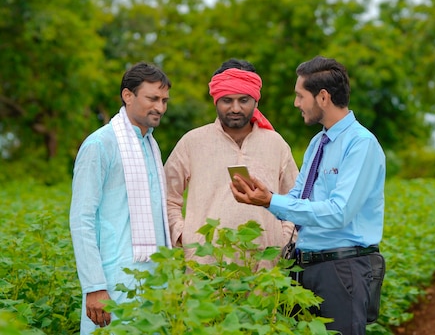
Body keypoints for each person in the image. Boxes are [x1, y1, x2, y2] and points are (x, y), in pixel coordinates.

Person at [230, 55, 386, 335]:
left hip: (342, 270)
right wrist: (265, 196)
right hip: (305, 269)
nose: (296, 103)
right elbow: (299, 199)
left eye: (300, 96)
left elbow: (340, 212)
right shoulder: (318, 143)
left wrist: (271, 201)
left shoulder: (361, 144)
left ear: (322, 97)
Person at [165, 59, 298, 270]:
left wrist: (282, 240)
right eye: (227, 100)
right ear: (216, 101)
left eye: (243, 100)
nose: (235, 108)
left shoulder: (275, 143)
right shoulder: (193, 142)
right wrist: (184, 236)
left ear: (255, 101)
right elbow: (167, 198)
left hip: (265, 270)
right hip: (205, 270)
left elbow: (295, 200)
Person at [69, 62, 172, 334]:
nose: (160, 107)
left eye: (164, 100)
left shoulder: (151, 143)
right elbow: (82, 220)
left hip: (154, 281)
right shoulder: (99, 145)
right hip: (113, 282)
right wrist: (94, 287)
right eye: (152, 98)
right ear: (128, 96)